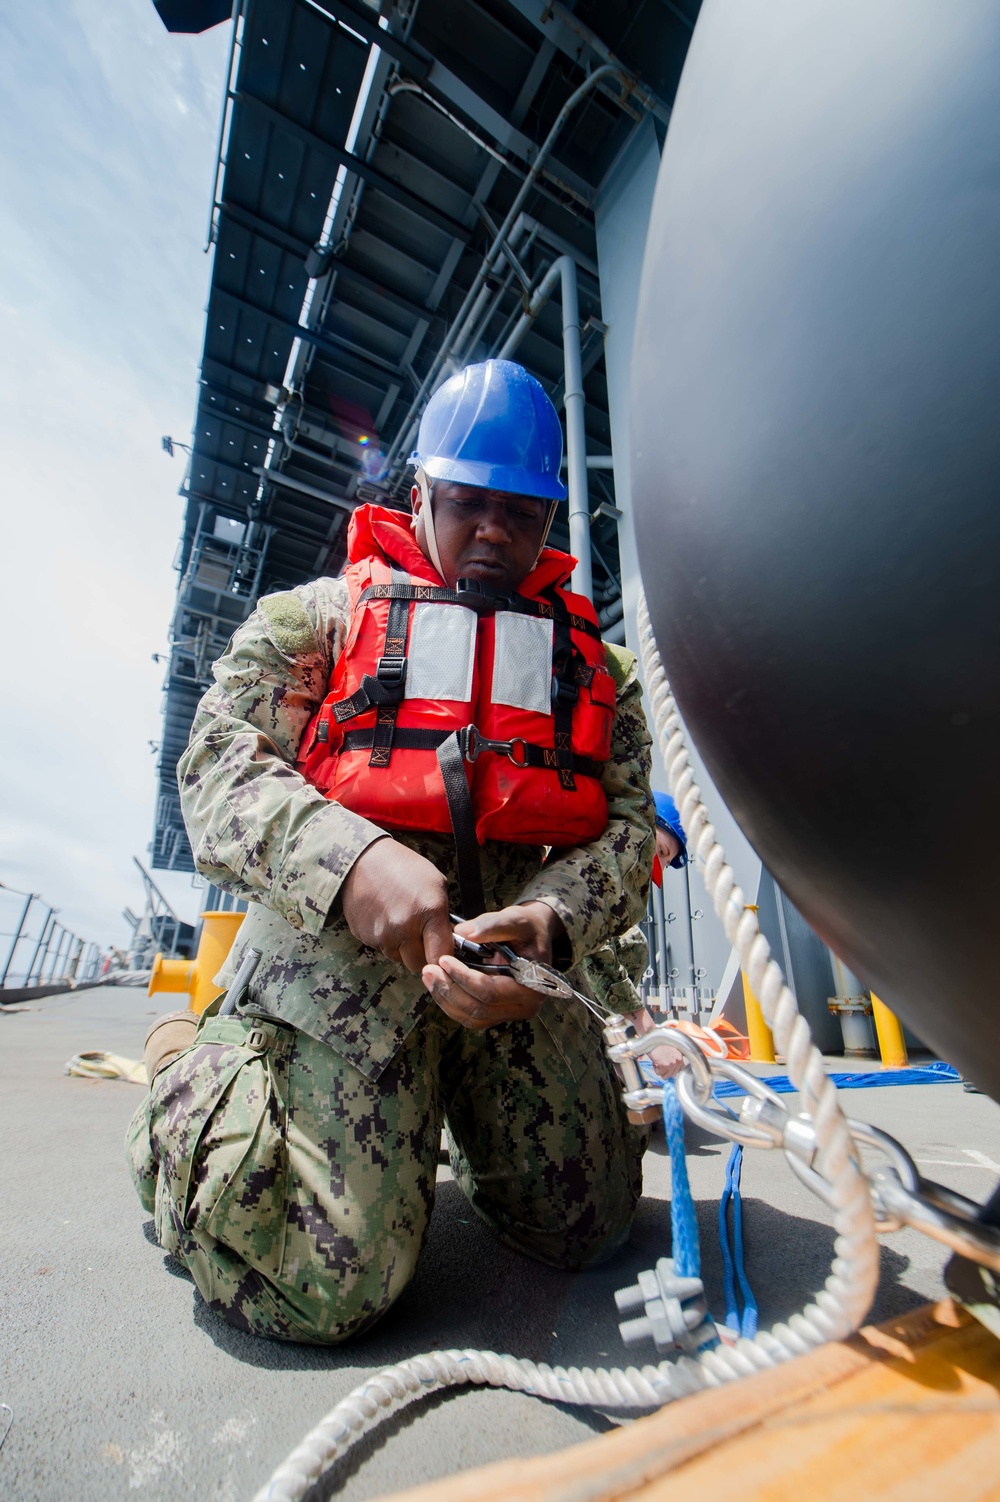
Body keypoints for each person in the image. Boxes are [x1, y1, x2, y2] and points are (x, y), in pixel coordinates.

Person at [127, 359, 656, 1345]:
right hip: (342, 970)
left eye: (522, 512)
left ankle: (453, 1126)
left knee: (591, 1227)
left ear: (550, 521)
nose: (493, 530)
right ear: (420, 496)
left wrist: (553, 921)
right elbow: (213, 765)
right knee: (323, 1286)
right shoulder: (319, 620)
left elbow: (631, 827)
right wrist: (350, 859)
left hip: (512, 978)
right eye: (467, 503)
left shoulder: (596, 671)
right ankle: (179, 1069)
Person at [578, 790, 689, 1085]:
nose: (659, 868)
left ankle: (604, 1058)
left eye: (666, 861)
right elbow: (594, 952)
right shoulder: (590, 862)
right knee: (631, 943)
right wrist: (651, 1035)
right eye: (662, 853)